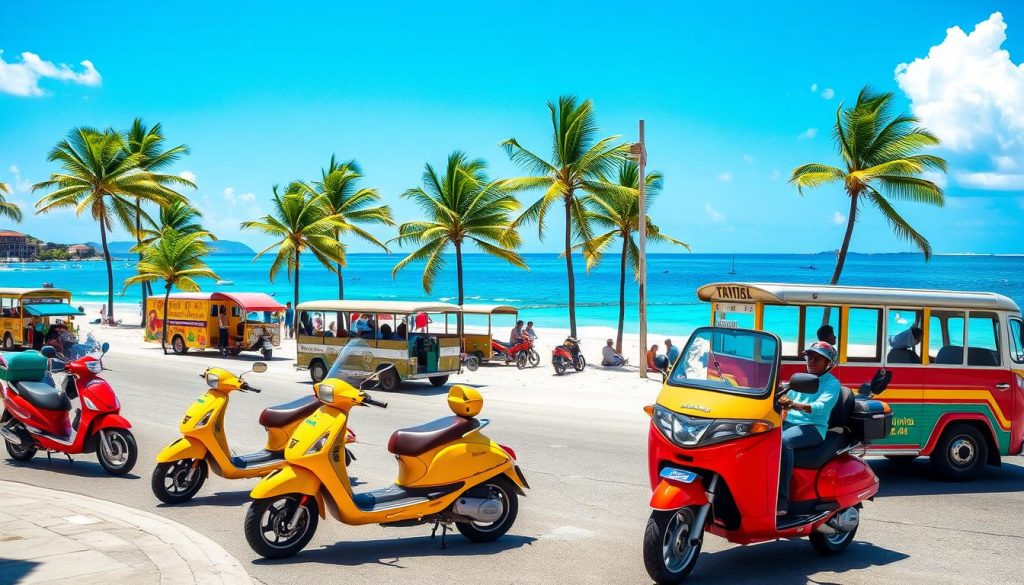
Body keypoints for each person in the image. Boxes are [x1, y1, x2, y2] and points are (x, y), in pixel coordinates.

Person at [776, 341, 841, 516]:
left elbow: (821, 407)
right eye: (809, 357)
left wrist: (794, 405)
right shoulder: (801, 379)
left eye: (818, 359)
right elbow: (784, 394)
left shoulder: (832, 384)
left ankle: (781, 500)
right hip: (790, 423)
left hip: (813, 427)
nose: (811, 362)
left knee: (784, 441)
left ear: (829, 364)